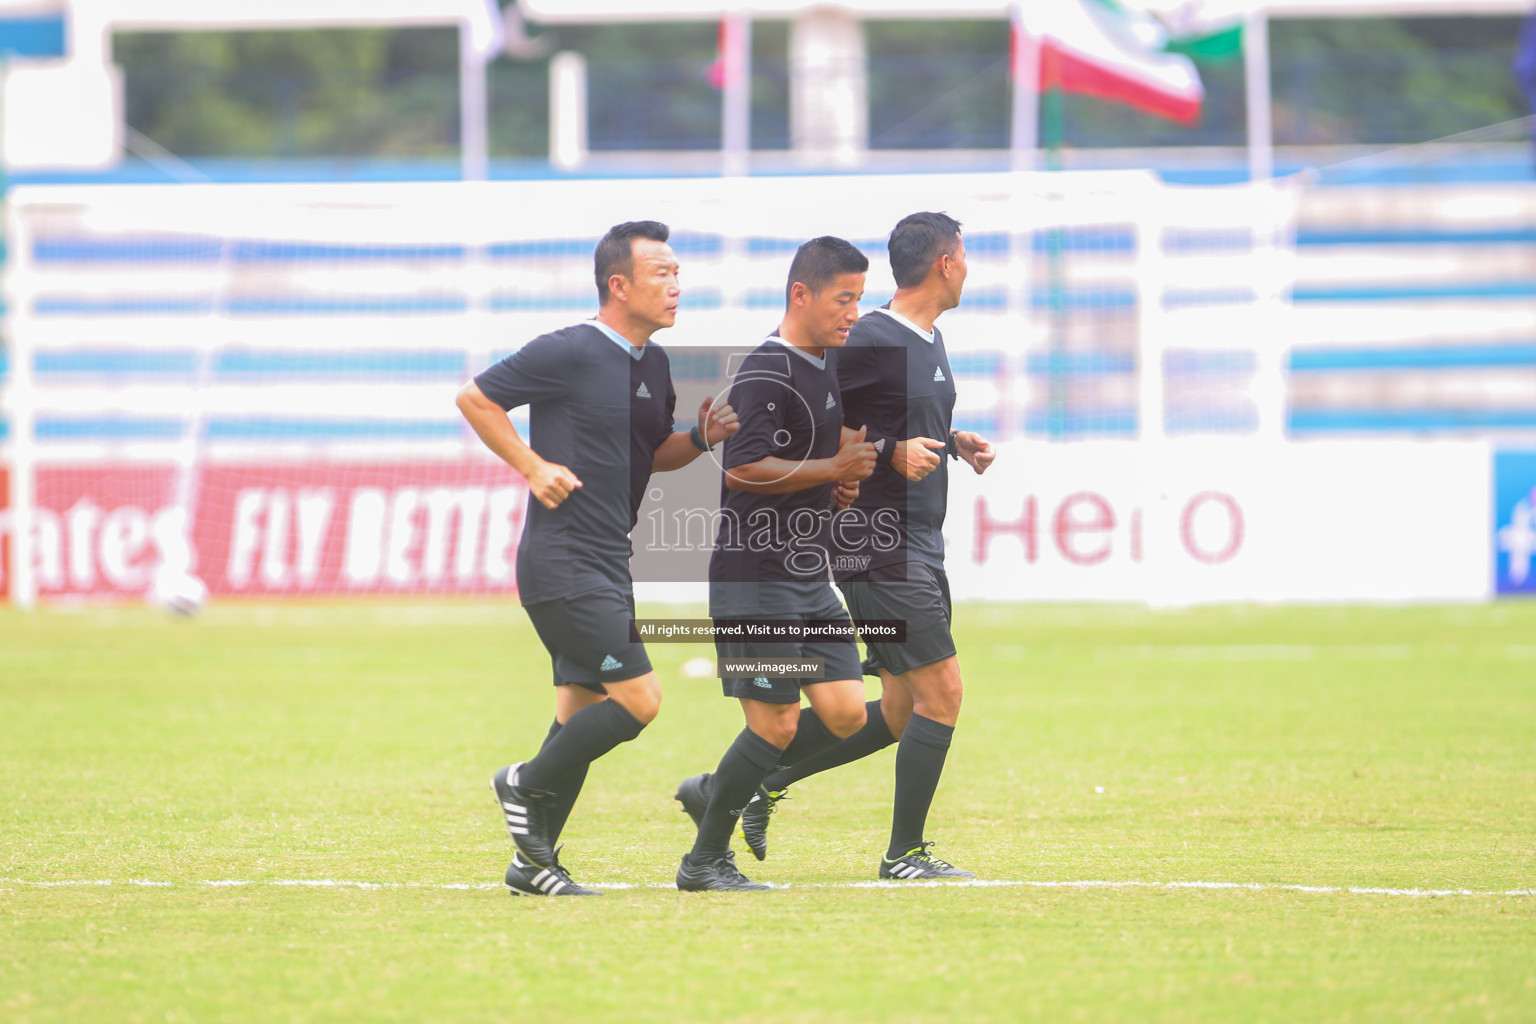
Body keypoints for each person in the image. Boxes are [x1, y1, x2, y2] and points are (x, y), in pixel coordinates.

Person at [456, 220, 738, 896]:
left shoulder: (655, 364)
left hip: (609, 561)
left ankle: (534, 864)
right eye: (661, 273)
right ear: (619, 285)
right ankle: (520, 781)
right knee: (639, 701)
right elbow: (476, 398)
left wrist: (698, 438)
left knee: (577, 714)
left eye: (678, 273)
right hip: (562, 561)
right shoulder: (571, 350)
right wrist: (531, 465)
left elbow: (653, 456)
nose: (676, 286)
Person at [734, 212, 996, 880]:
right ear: (944, 263)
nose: (968, 267)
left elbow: (888, 418)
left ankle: (758, 781)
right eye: (964, 256)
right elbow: (805, 416)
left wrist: (952, 440)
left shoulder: (926, 339)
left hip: (918, 543)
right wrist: (887, 451)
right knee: (944, 694)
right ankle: (904, 855)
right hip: (875, 546)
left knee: (905, 708)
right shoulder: (871, 338)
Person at [672, 236, 879, 892]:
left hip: (806, 577)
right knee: (777, 723)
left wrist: (836, 487)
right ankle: (703, 863)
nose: (853, 312)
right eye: (844, 298)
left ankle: (718, 787)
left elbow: (808, 468)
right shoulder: (767, 372)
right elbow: (744, 468)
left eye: (859, 299)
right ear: (801, 294)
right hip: (753, 579)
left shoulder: (822, 365)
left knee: (847, 713)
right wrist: (832, 468)